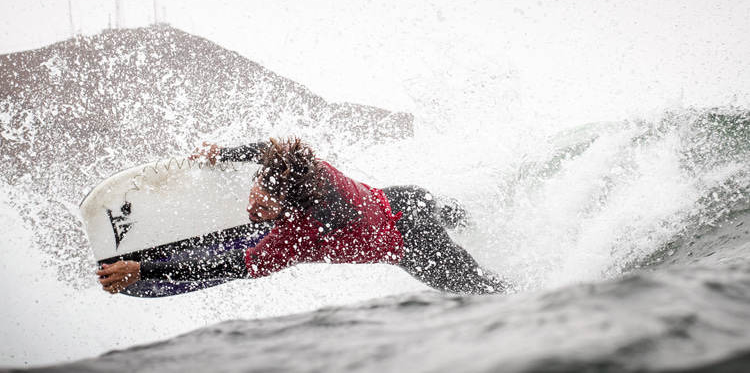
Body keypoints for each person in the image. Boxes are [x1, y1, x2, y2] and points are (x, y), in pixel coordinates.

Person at [97, 138, 509, 295]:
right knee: (462, 217)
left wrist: (143, 269)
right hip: (408, 198)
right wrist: (222, 154)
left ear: (291, 209)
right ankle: (494, 217)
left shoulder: (300, 235)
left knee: (489, 294)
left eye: (264, 209)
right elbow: (270, 151)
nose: (251, 209)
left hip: (417, 244)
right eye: (256, 194)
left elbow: (229, 265)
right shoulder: (304, 168)